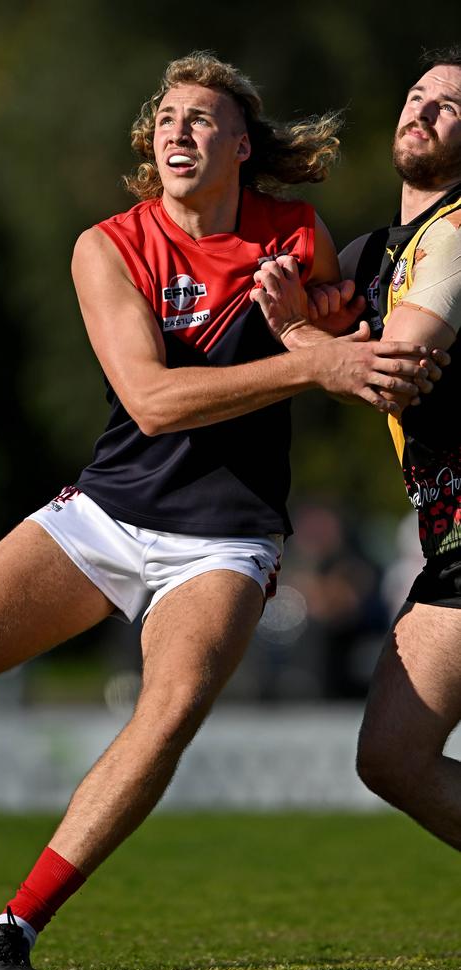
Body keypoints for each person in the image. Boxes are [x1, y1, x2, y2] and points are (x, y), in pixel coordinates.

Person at [0, 52, 440, 970]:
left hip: (226, 538)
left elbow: (339, 357)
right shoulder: (107, 244)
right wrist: (312, 362)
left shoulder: (294, 231)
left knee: (171, 706)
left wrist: (350, 347)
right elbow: (150, 401)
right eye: (167, 118)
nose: (178, 131)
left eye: (202, 119)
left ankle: (14, 927)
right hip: (108, 513)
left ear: (240, 144)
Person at [252, 47, 461, 860]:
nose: (426, 109)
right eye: (418, 95)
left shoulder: (456, 232)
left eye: (451, 103)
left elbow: (392, 373)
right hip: (448, 543)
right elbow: (306, 324)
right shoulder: (375, 256)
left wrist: (303, 337)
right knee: (393, 758)